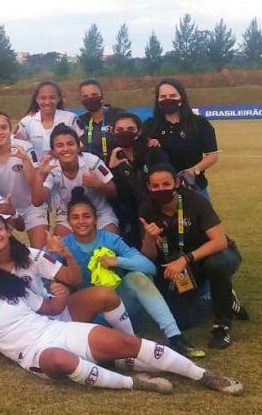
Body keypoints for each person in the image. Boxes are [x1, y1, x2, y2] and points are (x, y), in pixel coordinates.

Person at [0, 255, 242, 395]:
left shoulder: (13, 289)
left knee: (125, 343)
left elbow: (50, 308)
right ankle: (136, 383)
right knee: (60, 360)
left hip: (57, 330)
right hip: (33, 354)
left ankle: (204, 376)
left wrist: (63, 292)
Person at [62, 192, 204, 358]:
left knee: (137, 277)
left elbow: (149, 267)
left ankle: (175, 337)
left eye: (86, 216)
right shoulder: (64, 244)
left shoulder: (110, 239)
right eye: (75, 217)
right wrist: (56, 284)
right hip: (89, 313)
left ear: (95, 219)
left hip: (120, 308)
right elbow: (45, 274)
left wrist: (118, 261)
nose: (81, 222)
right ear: (69, 222)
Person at [139, 164, 247, 349]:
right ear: (149, 187)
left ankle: (222, 326)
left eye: (166, 184)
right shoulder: (147, 209)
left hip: (216, 253)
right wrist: (149, 238)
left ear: (177, 182)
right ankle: (223, 296)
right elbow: (148, 255)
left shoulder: (195, 202)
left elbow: (219, 241)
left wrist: (185, 259)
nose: (161, 189)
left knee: (216, 264)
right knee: (182, 321)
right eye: (155, 186)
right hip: (185, 264)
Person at [0, 212, 134, 331]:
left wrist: (67, 255)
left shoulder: (31, 255)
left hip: (53, 313)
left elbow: (74, 279)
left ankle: (130, 345)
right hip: (23, 328)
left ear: (9, 231)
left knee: (105, 294)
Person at [0, 111, 48, 249]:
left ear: (10, 130)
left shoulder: (24, 147)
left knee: (40, 253)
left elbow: (35, 184)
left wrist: (25, 161)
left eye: (3, 128)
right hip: (7, 208)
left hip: (32, 206)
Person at [32, 124, 118, 235]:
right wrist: (39, 176)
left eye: (70, 144)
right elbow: (37, 202)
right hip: (69, 215)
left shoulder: (91, 161)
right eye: (59, 145)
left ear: (78, 147)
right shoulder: (50, 168)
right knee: (59, 244)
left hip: (99, 212)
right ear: (52, 151)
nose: (66, 149)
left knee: (110, 242)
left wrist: (98, 185)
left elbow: (113, 192)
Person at [143, 78, 218, 197]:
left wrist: (192, 171)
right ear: (158, 100)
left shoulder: (199, 123)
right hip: (161, 191)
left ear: (181, 98)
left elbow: (212, 155)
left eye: (172, 95)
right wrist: (147, 142)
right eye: (163, 96)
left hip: (194, 187)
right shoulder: (149, 126)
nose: (168, 99)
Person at [106, 111, 166, 247]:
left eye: (130, 129)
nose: (125, 133)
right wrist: (113, 169)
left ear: (139, 132)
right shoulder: (110, 156)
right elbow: (112, 195)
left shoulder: (152, 152)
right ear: (113, 132)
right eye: (120, 130)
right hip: (127, 218)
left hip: (155, 213)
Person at [15, 80, 82, 158]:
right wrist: (23, 143)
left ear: (59, 98)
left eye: (52, 97)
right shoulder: (26, 122)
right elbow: (15, 145)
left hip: (65, 168)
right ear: (37, 99)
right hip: (37, 169)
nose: (47, 102)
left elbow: (83, 146)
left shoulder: (70, 118)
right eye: (43, 98)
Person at [76, 79, 125, 162]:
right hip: (92, 169)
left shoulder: (118, 115)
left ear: (102, 96)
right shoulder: (81, 120)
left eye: (94, 94)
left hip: (118, 167)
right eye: (85, 96)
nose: (90, 99)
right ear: (81, 100)